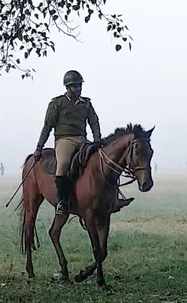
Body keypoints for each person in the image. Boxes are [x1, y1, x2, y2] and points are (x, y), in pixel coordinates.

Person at [33, 69, 131, 217]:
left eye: (80, 86)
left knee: (101, 161)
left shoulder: (86, 104)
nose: (78, 89)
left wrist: (97, 138)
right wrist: (39, 148)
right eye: (75, 86)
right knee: (64, 164)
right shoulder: (57, 103)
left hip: (82, 139)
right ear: (67, 87)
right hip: (64, 139)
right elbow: (47, 126)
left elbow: (94, 121)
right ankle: (62, 202)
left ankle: (114, 198)